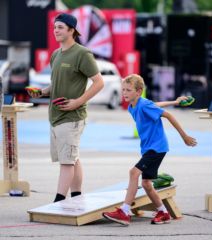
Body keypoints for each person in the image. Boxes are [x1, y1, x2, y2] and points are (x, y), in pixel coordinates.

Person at [27, 13, 104, 202]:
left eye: (60, 27)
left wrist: (78, 102)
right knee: (72, 158)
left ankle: (58, 202)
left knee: (66, 162)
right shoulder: (56, 55)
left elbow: (99, 82)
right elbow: (56, 83)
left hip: (73, 116)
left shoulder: (82, 54)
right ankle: (77, 197)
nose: (56, 31)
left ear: (72, 30)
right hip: (55, 116)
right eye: (54, 27)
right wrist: (42, 92)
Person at [102, 74, 197, 226]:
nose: (124, 93)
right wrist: (175, 101)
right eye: (123, 89)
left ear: (138, 91)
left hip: (156, 148)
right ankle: (163, 212)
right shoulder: (133, 106)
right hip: (148, 148)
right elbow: (156, 104)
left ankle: (124, 212)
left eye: (128, 90)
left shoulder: (143, 104)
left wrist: (184, 136)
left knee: (134, 172)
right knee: (146, 183)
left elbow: (169, 115)